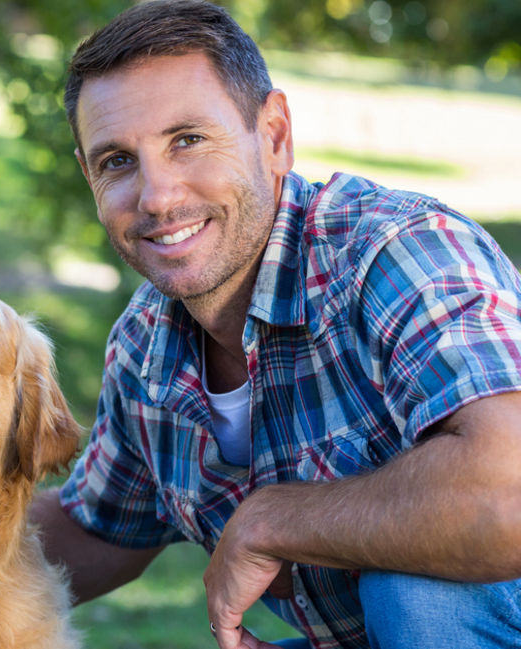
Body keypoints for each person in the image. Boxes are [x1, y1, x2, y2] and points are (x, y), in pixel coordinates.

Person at [30, 1, 521, 648]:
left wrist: (271, 521)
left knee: (417, 593)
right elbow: (93, 529)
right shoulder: (148, 346)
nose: (157, 195)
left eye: (188, 140)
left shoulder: (394, 254)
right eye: (117, 161)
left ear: (275, 136)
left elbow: (509, 494)